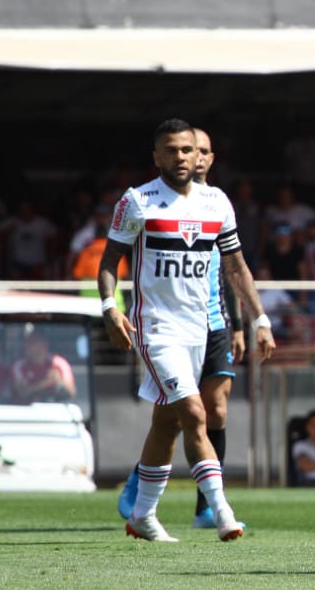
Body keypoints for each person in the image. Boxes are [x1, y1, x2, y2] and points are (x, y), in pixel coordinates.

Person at [97, 119, 275, 543]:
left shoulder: (216, 203)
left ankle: (142, 515)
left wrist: (260, 319)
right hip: (156, 327)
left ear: (201, 156)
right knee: (196, 413)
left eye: (187, 150)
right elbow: (109, 262)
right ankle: (221, 512)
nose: (180, 157)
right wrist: (109, 309)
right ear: (156, 156)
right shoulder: (138, 201)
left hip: (200, 327)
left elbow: (235, 267)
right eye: (171, 150)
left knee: (167, 422)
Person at [10, 327, 75, 403]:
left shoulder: (59, 363)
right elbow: (21, 393)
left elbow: (71, 391)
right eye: (27, 342)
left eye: (33, 342)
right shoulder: (19, 366)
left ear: (44, 345)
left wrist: (59, 381)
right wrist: (45, 382)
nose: (27, 346)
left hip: (53, 409)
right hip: (25, 411)